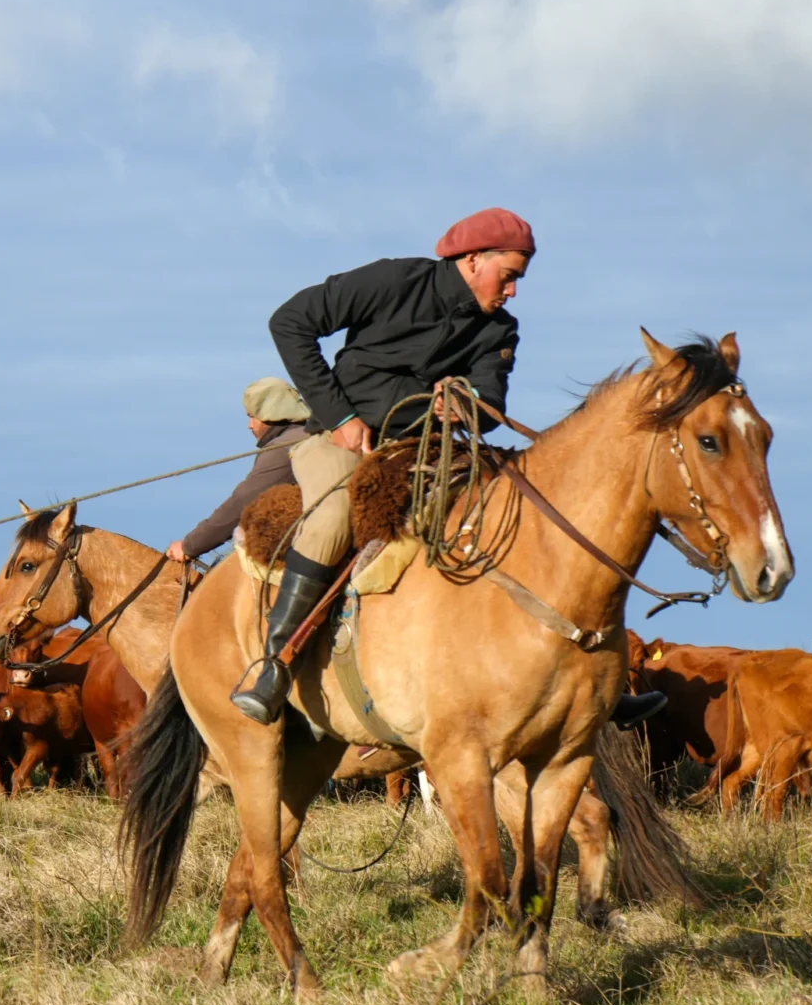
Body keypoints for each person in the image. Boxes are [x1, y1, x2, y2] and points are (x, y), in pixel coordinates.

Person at [229, 207, 668, 731]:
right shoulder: (392, 280)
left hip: (433, 453)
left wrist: (466, 405)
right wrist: (340, 416)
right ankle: (274, 665)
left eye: (518, 280)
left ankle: (601, 682)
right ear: (473, 259)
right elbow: (290, 322)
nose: (512, 292)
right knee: (330, 522)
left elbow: (489, 402)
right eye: (509, 277)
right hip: (345, 441)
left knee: (530, 513)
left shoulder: (502, 330)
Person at [166, 378, 314, 566]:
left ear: (270, 413)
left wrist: (190, 546)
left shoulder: (281, 449)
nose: (250, 426)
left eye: (252, 416)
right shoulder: (313, 435)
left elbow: (243, 501)